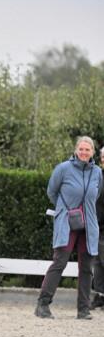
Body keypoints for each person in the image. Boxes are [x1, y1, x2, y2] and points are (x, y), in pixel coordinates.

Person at [36, 136, 103, 320]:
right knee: (60, 262)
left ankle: (83, 309)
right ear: (76, 150)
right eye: (81, 149)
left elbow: (96, 195)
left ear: (92, 152)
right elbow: (52, 192)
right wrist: (63, 209)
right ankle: (43, 304)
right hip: (66, 222)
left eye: (87, 150)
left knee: (86, 267)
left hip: (89, 224)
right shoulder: (63, 169)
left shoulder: (97, 172)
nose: (84, 152)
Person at [92, 146, 104, 309]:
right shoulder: (98, 175)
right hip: (96, 225)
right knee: (98, 263)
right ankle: (100, 295)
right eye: (102, 157)